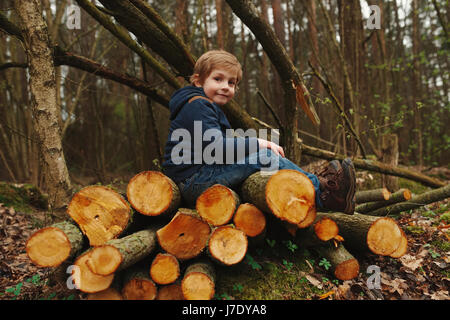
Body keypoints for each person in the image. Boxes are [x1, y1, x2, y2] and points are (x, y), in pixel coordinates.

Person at [162, 50, 356, 214]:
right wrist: (260, 143)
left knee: (261, 157)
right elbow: (217, 148)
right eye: (218, 79)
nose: (225, 87)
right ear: (198, 81)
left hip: (198, 176)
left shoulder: (203, 105)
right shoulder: (197, 106)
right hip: (194, 182)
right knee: (266, 158)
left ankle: (316, 185)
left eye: (231, 83)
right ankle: (324, 196)